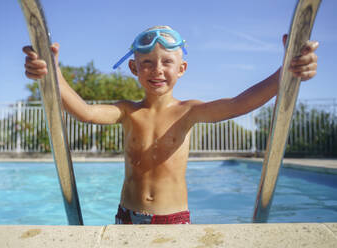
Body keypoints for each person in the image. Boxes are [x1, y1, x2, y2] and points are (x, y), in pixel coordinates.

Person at [23, 25, 318, 224]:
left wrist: (285, 72)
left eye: (166, 62)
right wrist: (53, 73)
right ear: (133, 68)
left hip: (172, 219)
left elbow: (238, 104)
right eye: (147, 62)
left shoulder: (187, 112)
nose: (157, 70)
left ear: (182, 69)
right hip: (126, 216)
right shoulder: (127, 112)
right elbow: (85, 112)